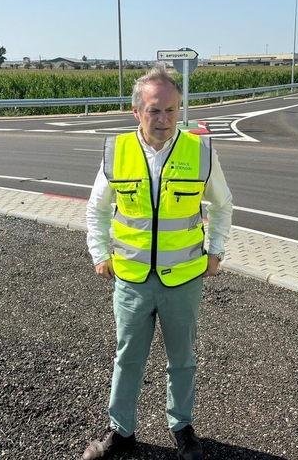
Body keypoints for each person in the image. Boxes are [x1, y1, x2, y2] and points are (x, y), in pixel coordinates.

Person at [83, 63, 233, 460]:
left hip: (183, 278)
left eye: (171, 110)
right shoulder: (117, 151)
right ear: (137, 112)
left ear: (180, 110)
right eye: (154, 110)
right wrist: (100, 253)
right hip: (131, 277)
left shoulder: (199, 151)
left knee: (182, 358)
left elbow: (222, 205)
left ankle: (182, 427)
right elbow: (96, 209)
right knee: (127, 356)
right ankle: (122, 430)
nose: (163, 119)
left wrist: (216, 252)